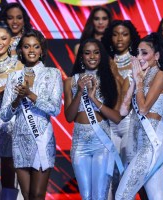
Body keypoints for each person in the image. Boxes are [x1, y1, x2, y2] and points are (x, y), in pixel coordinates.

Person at [0, 29, 63, 199]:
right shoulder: (14, 77)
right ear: (21, 50)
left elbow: (55, 109)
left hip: (42, 139)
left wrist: (30, 95)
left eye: (36, 46)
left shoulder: (53, 73)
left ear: (42, 50)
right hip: (19, 140)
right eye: (27, 47)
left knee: (37, 194)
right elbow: (4, 115)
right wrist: (17, 100)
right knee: (27, 195)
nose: (32, 50)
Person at [115, 33, 163, 199]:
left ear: (156, 56)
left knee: (122, 195)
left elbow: (143, 108)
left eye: (144, 53)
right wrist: (135, 82)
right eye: (138, 53)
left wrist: (140, 82)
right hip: (139, 145)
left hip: (153, 145)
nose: (139, 58)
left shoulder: (161, 75)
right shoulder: (140, 77)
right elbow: (123, 111)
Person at [64, 38, 123, 200]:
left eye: (96, 53)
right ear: (81, 56)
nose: (92, 56)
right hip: (79, 143)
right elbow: (69, 117)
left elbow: (117, 117)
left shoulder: (110, 80)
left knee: (99, 195)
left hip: (101, 143)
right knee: (86, 195)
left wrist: (94, 99)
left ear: (101, 56)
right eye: (87, 52)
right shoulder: (70, 82)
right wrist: (80, 91)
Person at [101, 20, 141, 198]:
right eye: (115, 34)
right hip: (107, 124)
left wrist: (117, 75)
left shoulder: (138, 63)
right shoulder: (103, 62)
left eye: (124, 34)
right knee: (108, 176)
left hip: (129, 124)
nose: (119, 38)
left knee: (126, 177)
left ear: (131, 37)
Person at [0, 22, 23, 200]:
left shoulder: (18, 66)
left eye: (3, 38)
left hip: (10, 128)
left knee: (10, 176)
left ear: (11, 41)